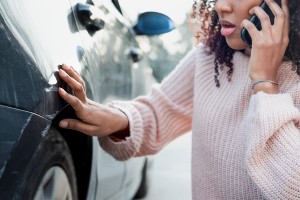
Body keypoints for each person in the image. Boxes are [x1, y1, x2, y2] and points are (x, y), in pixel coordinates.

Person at [58, 0, 300, 198]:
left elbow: (292, 188)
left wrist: (264, 82)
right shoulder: (210, 58)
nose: (221, 6)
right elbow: (157, 112)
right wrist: (114, 119)